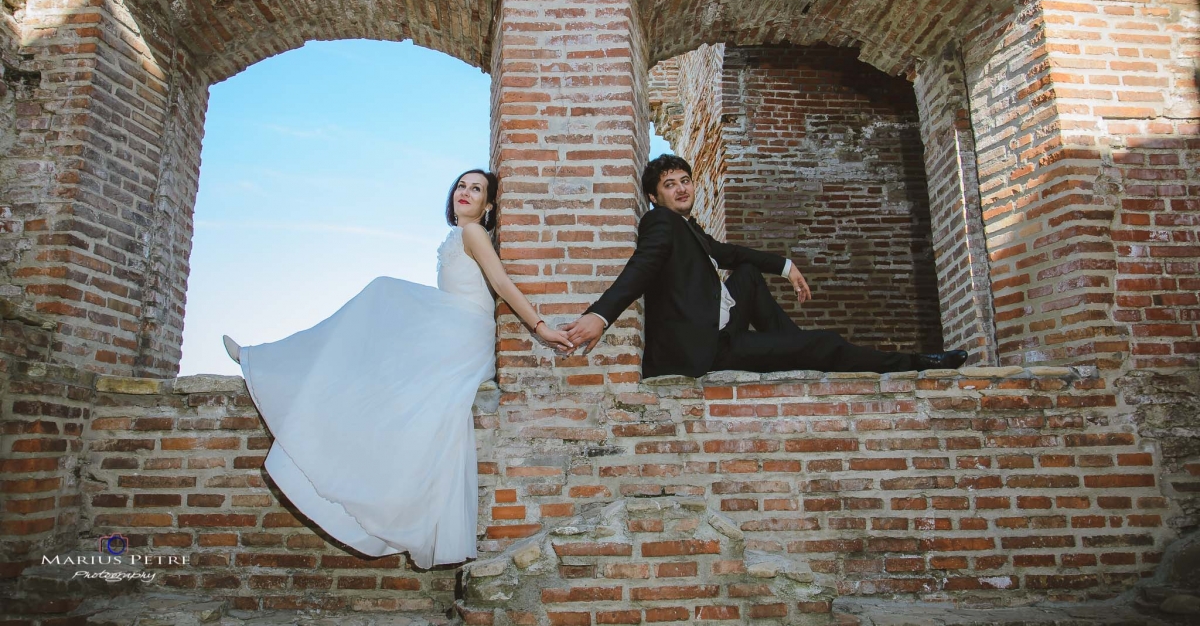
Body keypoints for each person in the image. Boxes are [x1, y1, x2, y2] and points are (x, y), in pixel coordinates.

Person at [221, 170, 572, 568]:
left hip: (465, 331)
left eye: (477, 189)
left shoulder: (474, 233)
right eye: (461, 185)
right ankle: (284, 368)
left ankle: (268, 362)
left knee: (382, 292)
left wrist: (541, 329)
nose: (466, 192)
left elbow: (503, 285)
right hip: (452, 328)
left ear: (488, 205)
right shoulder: (456, 236)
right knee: (386, 365)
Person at [563, 154, 966, 379]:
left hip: (718, 330)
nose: (682, 187)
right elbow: (643, 266)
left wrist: (785, 265)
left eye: (685, 180)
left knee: (749, 276)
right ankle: (916, 363)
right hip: (705, 350)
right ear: (654, 197)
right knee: (826, 342)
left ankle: (798, 351)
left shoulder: (691, 231)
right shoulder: (661, 223)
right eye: (670, 184)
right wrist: (601, 315)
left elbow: (731, 254)